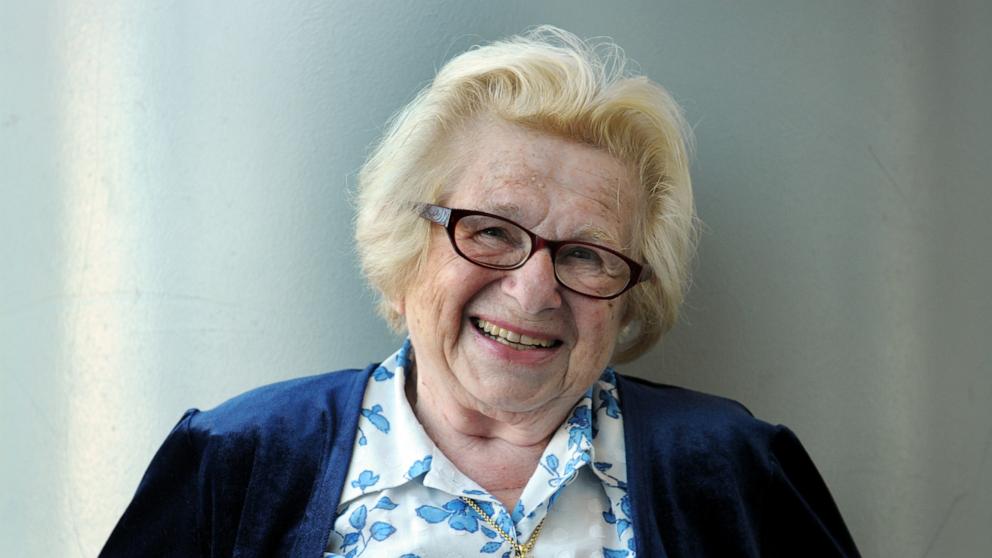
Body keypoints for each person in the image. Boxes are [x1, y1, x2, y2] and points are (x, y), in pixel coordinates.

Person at [101, 26, 860, 557]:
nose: (533, 293)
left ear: (630, 295)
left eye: (588, 255)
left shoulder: (734, 473)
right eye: (492, 231)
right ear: (408, 245)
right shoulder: (239, 460)